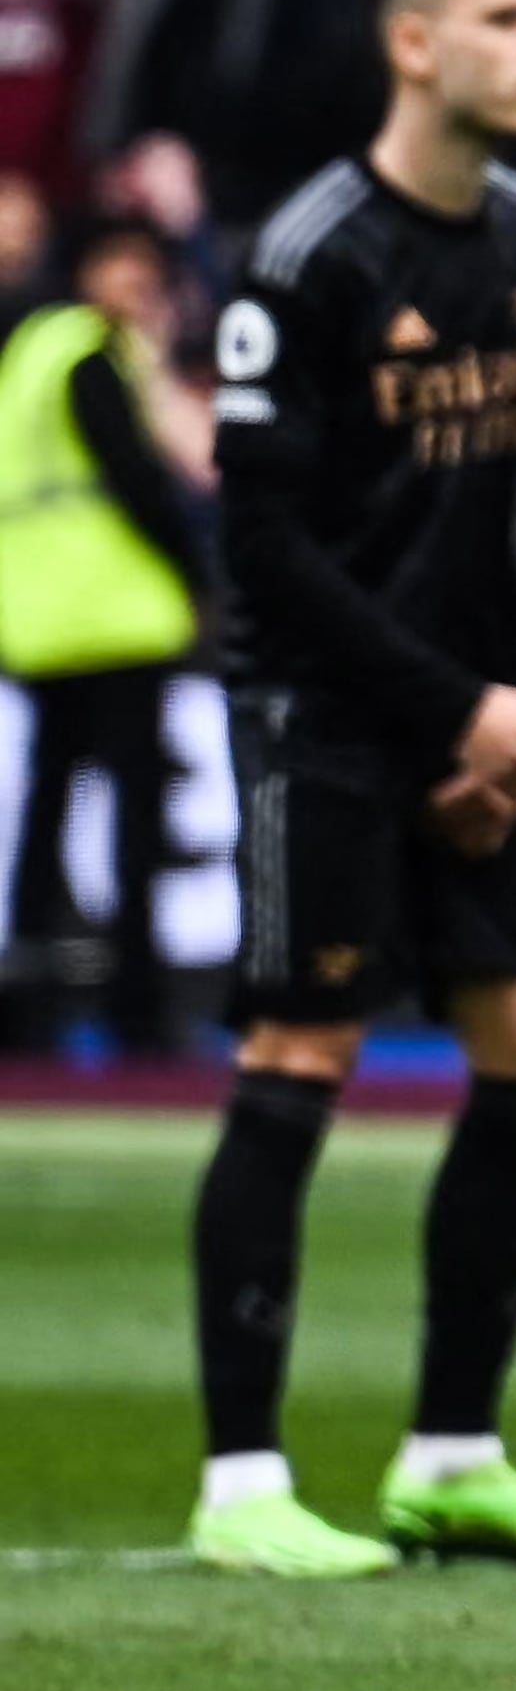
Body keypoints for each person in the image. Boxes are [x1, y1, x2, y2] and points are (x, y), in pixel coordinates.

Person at [182, 0, 516, 1578]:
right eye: (510, 18)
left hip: (473, 729)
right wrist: (455, 711)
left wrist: (510, 713)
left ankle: (452, 1452)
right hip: (326, 720)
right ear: (415, 40)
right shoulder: (311, 255)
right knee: (300, 1056)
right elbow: (271, 544)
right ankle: (240, 1478)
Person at [0, 214, 199, 1058]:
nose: (135, 282)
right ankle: (136, 1011)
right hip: (115, 613)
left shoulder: (29, 351)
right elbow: (141, 478)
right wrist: (198, 567)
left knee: (47, 816)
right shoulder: (92, 352)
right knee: (134, 821)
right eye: (121, 263)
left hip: (42, 615)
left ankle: (26, 1010)